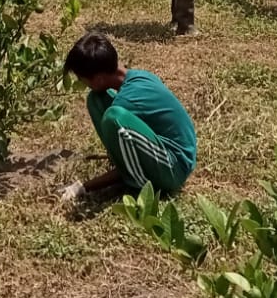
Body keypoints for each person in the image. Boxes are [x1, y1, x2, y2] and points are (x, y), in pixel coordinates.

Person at [59, 32, 197, 208]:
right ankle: (121, 160)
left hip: (175, 167)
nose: (82, 83)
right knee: (96, 100)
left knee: (113, 117)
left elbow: (117, 117)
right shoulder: (137, 76)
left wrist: (84, 187)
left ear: (99, 78)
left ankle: (138, 186)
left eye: (82, 79)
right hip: (170, 155)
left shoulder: (126, 101)